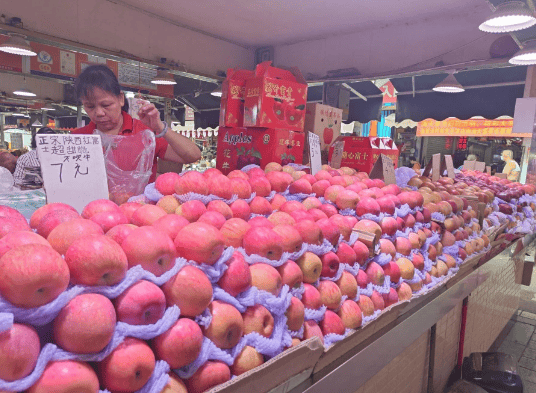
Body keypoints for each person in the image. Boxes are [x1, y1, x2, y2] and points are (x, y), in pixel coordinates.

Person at [71, 65, 201, 183]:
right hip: (93, 209)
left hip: (141, 208)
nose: (99, 112)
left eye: (106, 105)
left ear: (121, 99)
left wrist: (160, 127)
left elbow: (193, 155)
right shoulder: (76, 139)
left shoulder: (145, 133)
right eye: (89, 106)